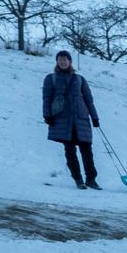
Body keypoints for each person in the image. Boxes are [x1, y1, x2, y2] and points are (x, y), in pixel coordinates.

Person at [42, 50, 101, 190]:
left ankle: (91, 179)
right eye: (60, 60)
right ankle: (78, 179)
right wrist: (47, 115)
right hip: (62, 120)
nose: (62, 62)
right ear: (57, 62)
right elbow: (47, 98)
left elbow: (88, 100)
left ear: (70, 61)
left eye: (65, 59)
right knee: (70, 151)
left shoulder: (80, 79)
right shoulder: (51, 78)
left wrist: (95, 117)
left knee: (87, 151)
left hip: (81, 119)